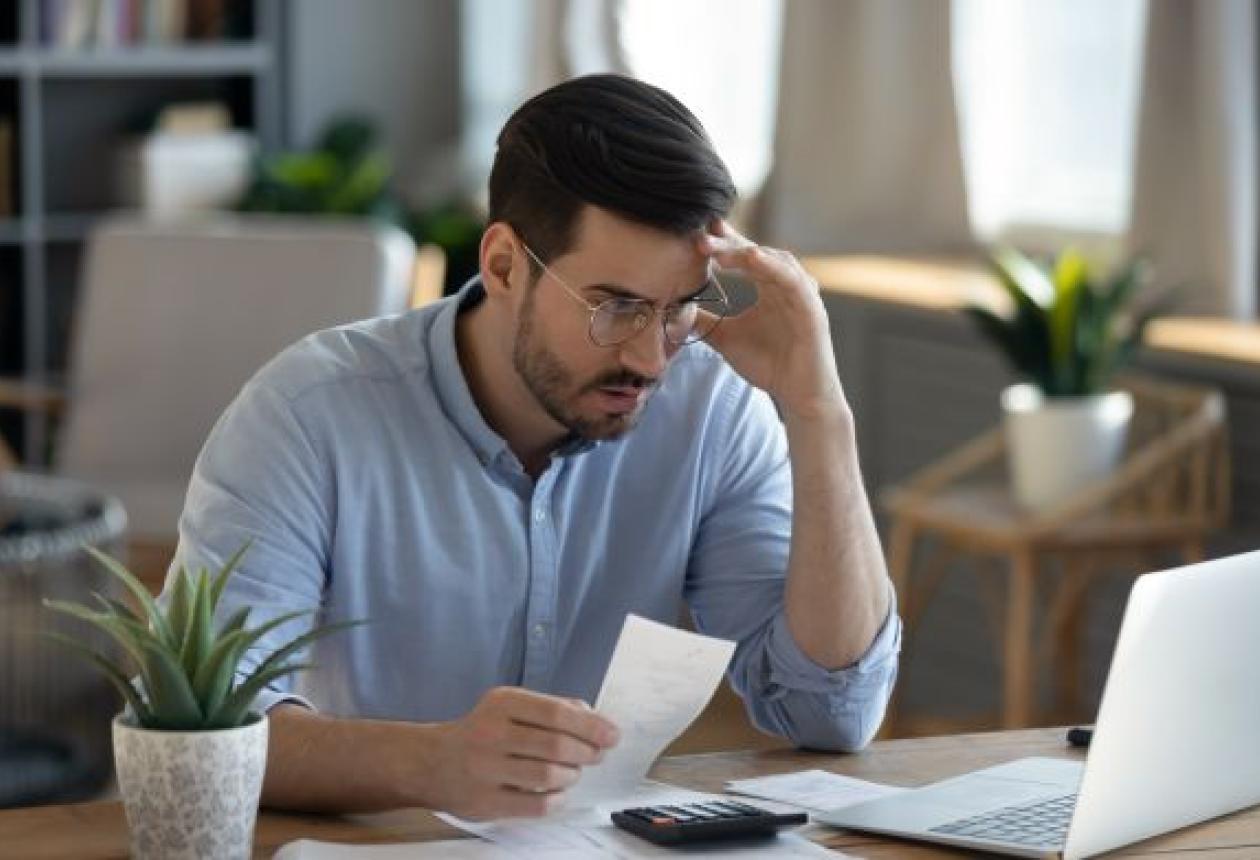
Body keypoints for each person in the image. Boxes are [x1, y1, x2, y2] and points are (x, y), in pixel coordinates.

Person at [169, 73, 900, 819]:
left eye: (680, 309)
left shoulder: (712, 408)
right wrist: (432, 760)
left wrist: (819, 412)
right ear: (504, 266)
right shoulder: (305, 415)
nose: (652, 358)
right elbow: (200, 733)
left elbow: (829, 714)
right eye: (616, 307)